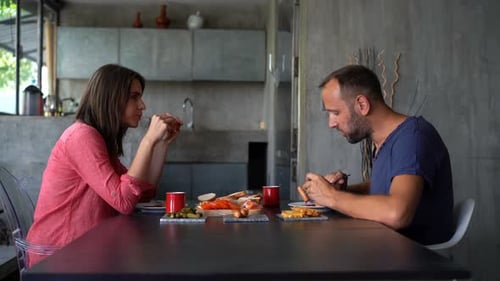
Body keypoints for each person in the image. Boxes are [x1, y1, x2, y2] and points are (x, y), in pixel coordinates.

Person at [26, 64, 182, 266]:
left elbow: (143, 193)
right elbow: (124, 202)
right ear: (111, 98)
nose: (142, 105)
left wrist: (161, 143)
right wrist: (148, 140)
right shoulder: (82, 136)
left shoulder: (97, 138)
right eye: (134, 96)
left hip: (86, 249)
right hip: (59, 256)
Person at [300, 64, 454, 245]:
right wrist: (342, 190)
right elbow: (389, 184)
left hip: (415, 262)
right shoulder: (387, 141)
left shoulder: (413, 138)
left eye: (335, 113)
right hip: (386, 250)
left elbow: (398, 213)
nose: (331, 123)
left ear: (362, 105)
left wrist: (332, 198)